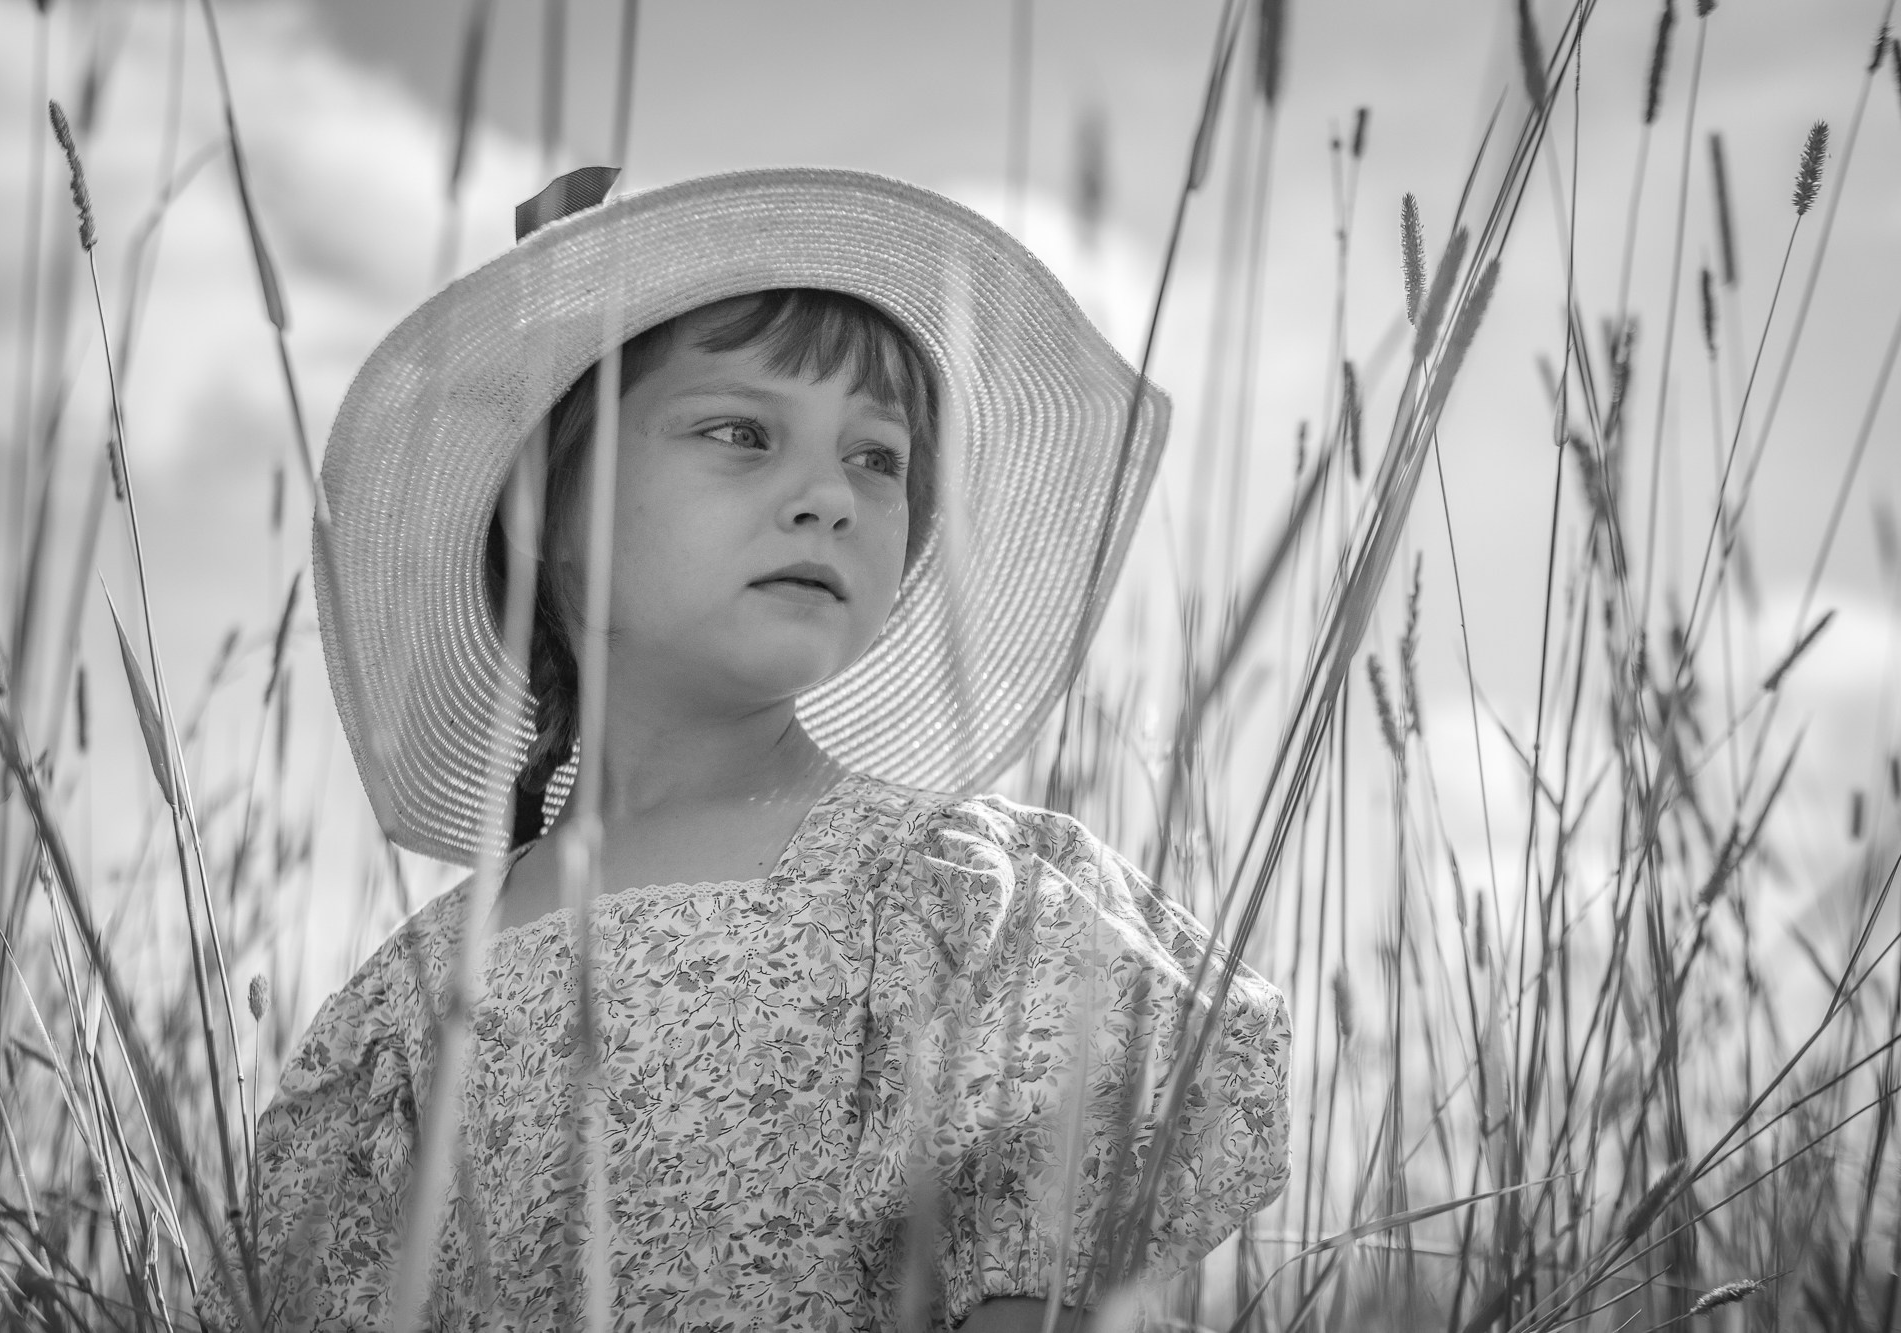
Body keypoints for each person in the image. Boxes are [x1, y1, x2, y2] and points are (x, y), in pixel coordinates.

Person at [201, 166, 1290, 1333]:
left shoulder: (940, 896)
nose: (829, 495)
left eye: (877, 458)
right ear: (540, 508)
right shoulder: (413, 997)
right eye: (739, 431)